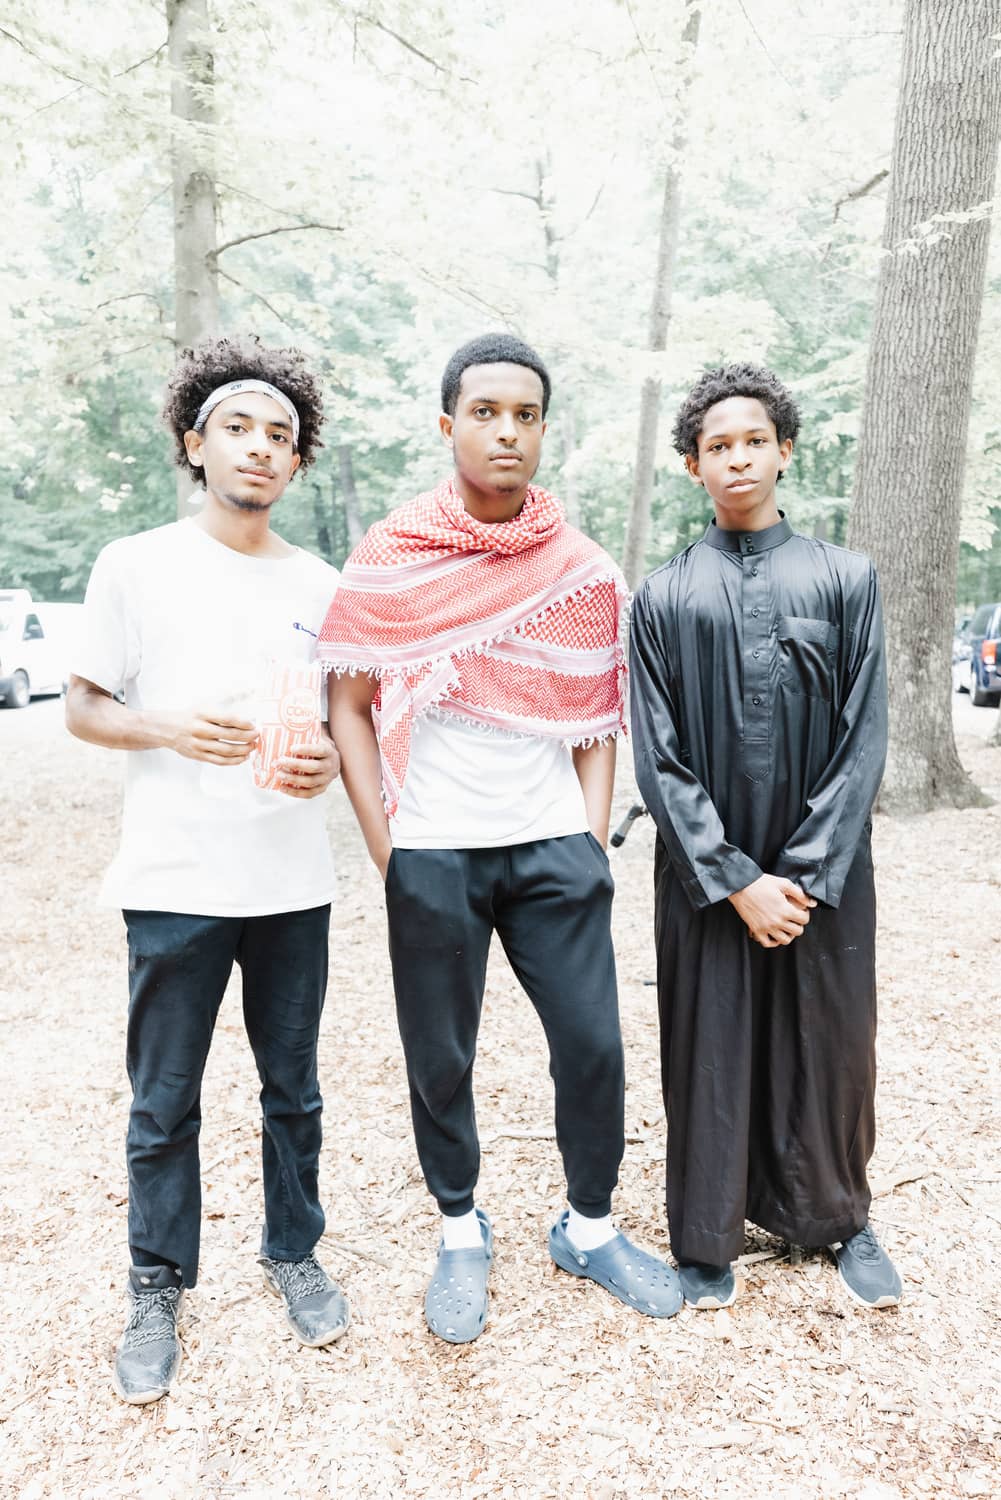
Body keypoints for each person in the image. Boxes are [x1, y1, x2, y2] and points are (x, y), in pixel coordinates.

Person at [324, 332, 682, 1343]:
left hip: (548, 848)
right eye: (485, 412)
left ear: (540, 429)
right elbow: (346, 705)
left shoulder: (579, 570)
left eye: (524, 415)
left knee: (593, 1046)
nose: (505, 432)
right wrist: (385, 847)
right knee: (439, 1055)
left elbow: (596, 711)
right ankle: (456, 1228)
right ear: (448, 425)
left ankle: (589, 1224)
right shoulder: (393, 556)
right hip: (430, 850)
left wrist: (590, 837)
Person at [66, 336, 347, 1404]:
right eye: (238, 427)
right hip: (174, 880)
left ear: (296, 458)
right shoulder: (134, 564)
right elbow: (85, 708)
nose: (259, 448)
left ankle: (293, 1252)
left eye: (280, 434)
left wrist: (322, 757)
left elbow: (332, 731)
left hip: (288, 882)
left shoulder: (321, 583)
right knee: (164, 1100)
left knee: (294, 1091)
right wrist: (169, 727)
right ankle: (156, 1281)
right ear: (195, 441)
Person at [629, 363, 901, 1312]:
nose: (736, 457)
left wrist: (804, 871)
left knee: (831, 1040)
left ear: (784, 450)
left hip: (823, 870)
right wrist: (735, 878)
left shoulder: (846, 577)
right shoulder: (661, 598)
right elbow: (657, 758)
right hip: (707, 877)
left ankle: (835, 1216)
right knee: (707, 1038)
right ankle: (706, 1233)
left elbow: (865, 733)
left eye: (753, 440)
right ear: (692, 465)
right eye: (716, 445)